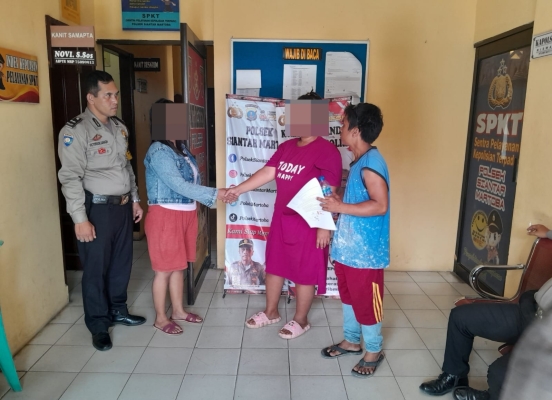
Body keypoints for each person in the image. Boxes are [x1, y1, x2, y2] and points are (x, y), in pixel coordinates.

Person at [225, 91, 342, 339]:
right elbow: (267, 173)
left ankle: (301, 319)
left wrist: (324, 226)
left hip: (309, 223)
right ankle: (271, 312)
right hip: (281, 218)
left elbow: (329, 191)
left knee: (304, 271)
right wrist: (237, 190)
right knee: (275, 266)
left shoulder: (327, 151)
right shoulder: (287, 147)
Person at [57, 70, 145, 351]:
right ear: (91, 98)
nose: (114, 100)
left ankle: (118, 310)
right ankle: (98, 324)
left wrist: (135, 199)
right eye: (108, 95)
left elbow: (126, 166)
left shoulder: (119, 127)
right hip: (96, 210)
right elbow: (70, 177)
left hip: (122, 208)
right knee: (96, 269)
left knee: (121, 264)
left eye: (115, 94)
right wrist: (80, 219)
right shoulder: (75, 131)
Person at [419, 224, 552, 400]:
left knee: (498, 373)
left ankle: (491, 397)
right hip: (530, 311)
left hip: (547, 334)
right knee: (461, 318)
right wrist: (548, 233)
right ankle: (454, 375)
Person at [318, 103, 389, 378]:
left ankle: (373, 350)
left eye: (344, 124)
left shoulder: (372, 163)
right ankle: (351, 340)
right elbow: (359, 201)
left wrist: (340, 207)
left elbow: (380, 205)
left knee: (367, 302)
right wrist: (340, 200)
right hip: (348, 250)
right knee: (348, 298)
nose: (340, 129)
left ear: (356, 131)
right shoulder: (359, 160)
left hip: (366, 254)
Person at [144, 98, 227, 335]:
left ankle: (178, 311)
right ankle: (161, 318)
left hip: (186, 214)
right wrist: (216, 194)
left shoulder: (180, 148)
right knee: (164, 270)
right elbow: (178, 185)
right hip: (165, 216)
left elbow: (192, 181)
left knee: (179, 266)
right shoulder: (159, 151)